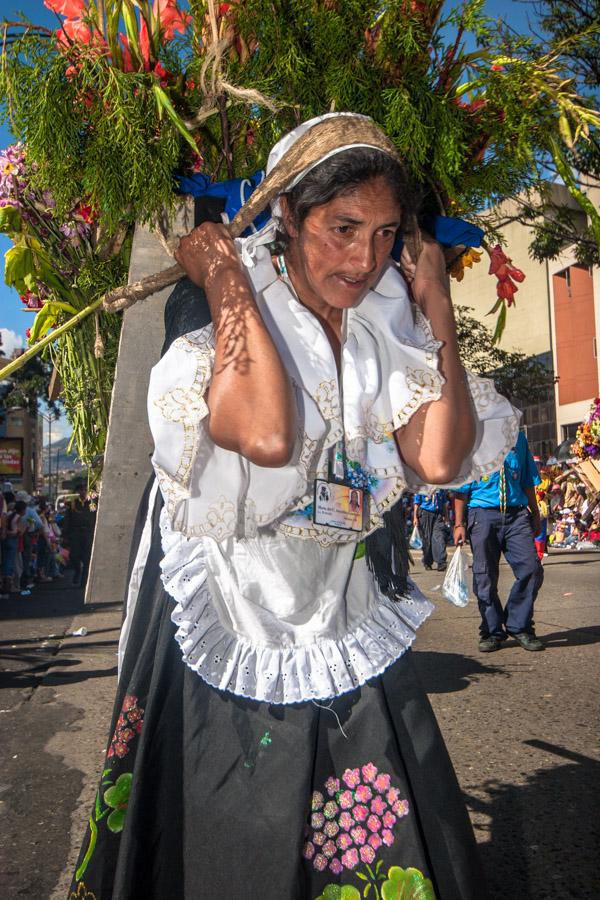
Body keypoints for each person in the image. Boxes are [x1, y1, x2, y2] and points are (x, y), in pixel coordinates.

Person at [68, 113, 519, 900]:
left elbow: (441, 457)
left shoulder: (387, 316)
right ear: (286, 213)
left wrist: (435, 298)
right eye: (341, 227)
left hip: (338, 603)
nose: (362, 256)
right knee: (224, 828)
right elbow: (268, 435)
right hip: (233, 608)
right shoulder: (222, 305)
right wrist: (223, 274)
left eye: (384, 235)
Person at [453, 432, 545, 653]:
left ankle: (520, 625)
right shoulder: (471, 437)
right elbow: (461, 489)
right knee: (484, 576)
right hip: (483, 514)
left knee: (531, 569)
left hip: (516, 515)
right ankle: (491, 631)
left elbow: (527, 480)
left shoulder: (519, 438)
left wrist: (534, 512)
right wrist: (459, 523)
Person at [62, 483, 96, 588]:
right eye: (81, 490)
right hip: (75, 533)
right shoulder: (73, 503)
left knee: (87, 558)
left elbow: (95, 517)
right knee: (74, 556)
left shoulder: (92, 503)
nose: (83, 492)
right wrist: (65, 535)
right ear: (77, 491)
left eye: (85, 490)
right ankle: (78, 570)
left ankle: (84, 581)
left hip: (87, 533)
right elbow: (67, 519)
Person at [412, 490, 449, 570]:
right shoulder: (422, 486)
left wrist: (446, 516)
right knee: (427, 539)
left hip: (438, 514)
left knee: (439, 537)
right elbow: (416, 503)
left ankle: (441, 561)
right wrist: (415, 517)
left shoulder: (441, 487)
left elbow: (444, 503)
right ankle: (427, 561)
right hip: (425, 514)